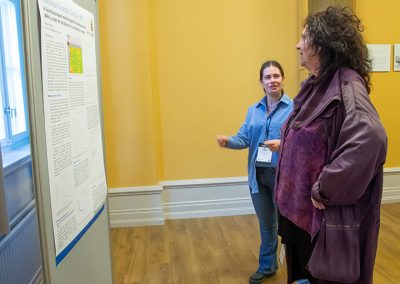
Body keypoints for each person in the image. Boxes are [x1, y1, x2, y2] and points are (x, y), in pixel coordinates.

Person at [274, 6, 387, 284]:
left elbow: (371, 138)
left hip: (319, 222)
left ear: (322, 45)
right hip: (297, 217)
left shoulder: (347, 84)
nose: (297, 44)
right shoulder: (317, 84)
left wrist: (326, 186)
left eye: (304, 38)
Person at [217, 60, 293, 284]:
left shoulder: (294, 107)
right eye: (268, 77)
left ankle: (298, 269)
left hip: (283, 177)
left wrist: (283, 144)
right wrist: (227, 142)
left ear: (283, 79)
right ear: (261, 82)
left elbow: (302, 141)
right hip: (258, 177)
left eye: (276, 76)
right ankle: (266, 266)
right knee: (267, 223)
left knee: (289, 225)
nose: (273, 80)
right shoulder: (254, 110)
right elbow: (244, 138)